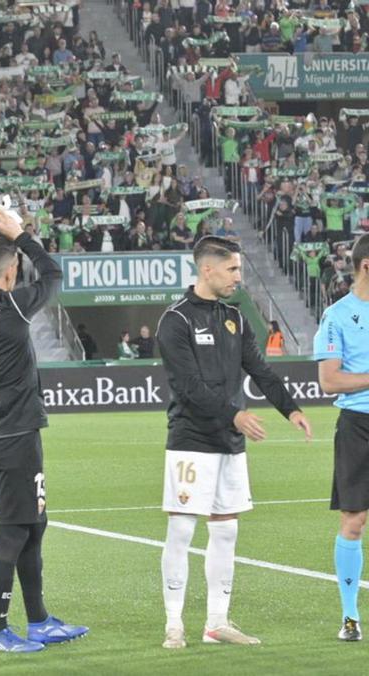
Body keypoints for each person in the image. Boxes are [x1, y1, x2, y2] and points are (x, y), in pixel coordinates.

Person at [156, 236, 313, 650]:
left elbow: (260, 369)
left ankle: (216, 622)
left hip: (230, 442)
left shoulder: (234, 317)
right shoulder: (176, 320)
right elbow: (188, 387)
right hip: (191, 440)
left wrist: (291, 409)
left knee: (226, 533)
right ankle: (174, 624)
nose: (238, 277)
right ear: (207, 269)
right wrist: (235, 414)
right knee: (181, 529)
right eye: (232, 270)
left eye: (239, 269)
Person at [0, 205, 88, 653]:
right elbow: (52, 274)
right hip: (17, 432)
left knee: (34, 524)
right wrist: (21, 234)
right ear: (11, 274)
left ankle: (40, 620)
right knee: (15, 530)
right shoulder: (11, 305)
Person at [314, 235, 369, 641]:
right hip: (358, 425)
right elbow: (330, 380)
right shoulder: (337, 316)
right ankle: (350, 617)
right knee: (354, 521)